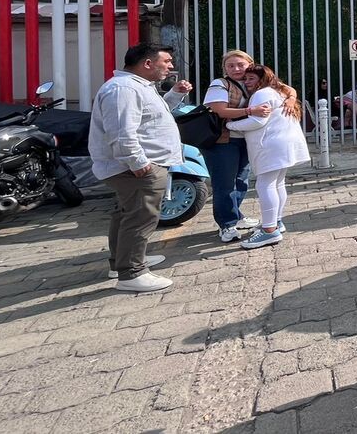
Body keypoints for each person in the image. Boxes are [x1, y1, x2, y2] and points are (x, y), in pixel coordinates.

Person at [89, 43, 192, 293]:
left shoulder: (138, 87)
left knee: (127, 214)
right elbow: (121, 132)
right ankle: (132, 272)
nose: (170, 67)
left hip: (139, 166)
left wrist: (175, 94)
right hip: (136, 168)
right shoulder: (123, 89)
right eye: (165, 62)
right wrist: (139, 163)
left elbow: (154, 117)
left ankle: (122, 262)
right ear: (147, 63)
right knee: (140, 217)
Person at [227, 64, 310, 249]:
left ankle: (269, 230)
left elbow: (258, 120)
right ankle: (276, 222)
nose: (247, 82)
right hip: (284, 144)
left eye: (251, 79)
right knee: (277, 183)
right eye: (246, 79)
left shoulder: (262, 93)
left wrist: (230, 126)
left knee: (264, 184)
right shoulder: (278, 91)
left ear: (262, 79)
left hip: (270, 146)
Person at [202, 50, 270, 243]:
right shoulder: (219, 84)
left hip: (243, 139)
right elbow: (220, 110)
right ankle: (227, 224)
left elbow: (283, 89)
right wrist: (251, 110)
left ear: (250, 63)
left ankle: (236, 216)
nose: (236, 69)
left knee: (241, 181)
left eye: (240, 64)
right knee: (224, 184)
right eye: (230, 66)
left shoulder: (254, 82)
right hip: (222, 141)